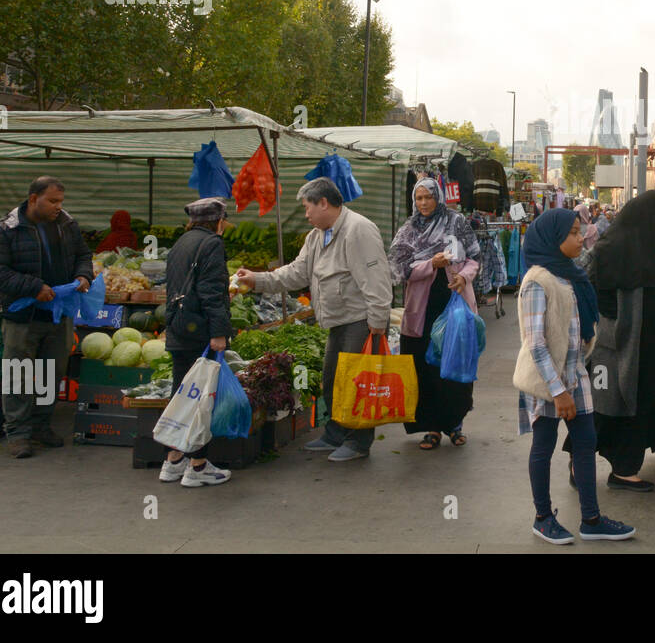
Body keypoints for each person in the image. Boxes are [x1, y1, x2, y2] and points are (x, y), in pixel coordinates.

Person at [238, 177, 394, 462]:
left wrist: (378, 320)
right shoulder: (316, 236)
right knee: (332, 377)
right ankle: (335, 433)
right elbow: (296, 273)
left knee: (356, 382)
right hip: (337, 319)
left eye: (308, 207)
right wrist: (257, 280)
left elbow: (377, 278)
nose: (306, 214)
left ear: (324, 203)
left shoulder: (358, 229)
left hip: (360, 319)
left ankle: (359, 442)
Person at [514, 209, 635, 544]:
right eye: (573, 233)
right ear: (553, 240)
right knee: (544, 445)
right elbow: (535, 344)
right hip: (547, 380)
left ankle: (591, 520)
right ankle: (542, 517)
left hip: (576, 374)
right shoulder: (537, 281)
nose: (581, 238)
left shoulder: (571, 275)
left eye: (580, 231)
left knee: (585, 444)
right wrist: (558, 392)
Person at [0, 177, 93, 459]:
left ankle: (41, 426)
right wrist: (34, 287)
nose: (58, 207)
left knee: (51, 372)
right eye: (53, 201)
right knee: (18, 375)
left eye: (61, 201)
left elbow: (83, 254)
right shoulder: (5, 230)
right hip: (22, 315)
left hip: (58, 314)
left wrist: (83, 275)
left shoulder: (67, 225)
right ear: (33, 199)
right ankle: (18, 433)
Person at [587, 190, 655, 491]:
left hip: (649, 346)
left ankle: (625, 469)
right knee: (606, 405)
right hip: (616, 344)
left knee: (635, 407)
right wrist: (611, 320)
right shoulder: (609, 248)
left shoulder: (652, 248)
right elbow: (587, 285)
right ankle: (581, 456)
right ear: (649, 214)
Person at [385, 178, 480, 451]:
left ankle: (455, 424)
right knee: (425, 368)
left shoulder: (456, 222)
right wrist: (431, 263)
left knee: (454, 363)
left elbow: (474, 257)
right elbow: (398, 269)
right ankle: (433, 428)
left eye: (428, 197)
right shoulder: (409, 230)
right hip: (422, 311)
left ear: (438, 197)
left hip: (455, 304)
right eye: (419, 198)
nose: (424, 203)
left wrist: (463, 276)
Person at [158, 198, 234, 487]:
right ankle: (198, 466)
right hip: (199, 331)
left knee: (181, 394)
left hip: (179, 328)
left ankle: (173, 460)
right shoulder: (212, 244)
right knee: (202, 399)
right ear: (217, 221)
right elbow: (212, 291)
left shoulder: (182, 242)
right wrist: (219, 332)